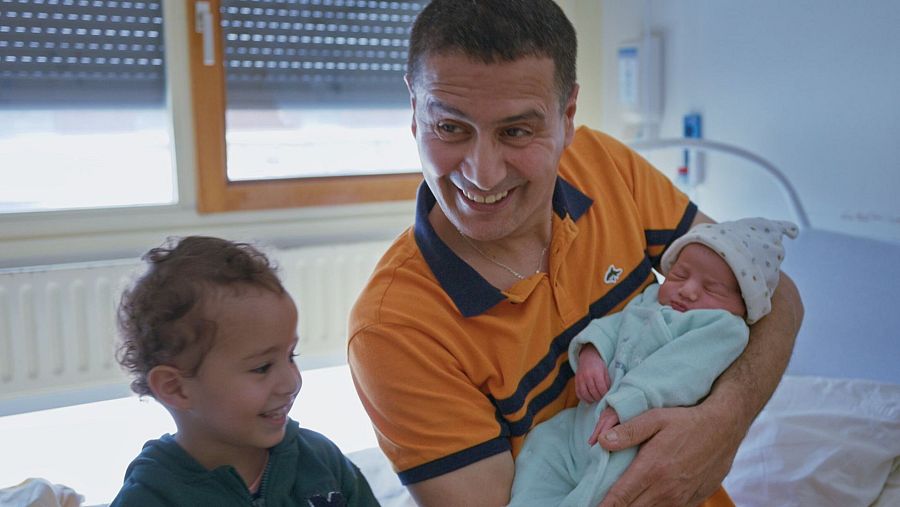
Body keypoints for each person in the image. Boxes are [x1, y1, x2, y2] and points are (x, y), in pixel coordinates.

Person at [348, 1, 804, 505]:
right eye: (451, 128)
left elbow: (776, 294)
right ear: (414, 111)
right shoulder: (394, 330)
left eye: (516, 131)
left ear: (567, 117)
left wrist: (722, 423)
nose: (482, 173)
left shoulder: (604, 165)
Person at [509, 218, 799, 506]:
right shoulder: (651, 301)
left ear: (744, 305)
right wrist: (591, 354)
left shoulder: (724, 328)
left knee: (609, 489)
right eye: (679, 276)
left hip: (637, 436)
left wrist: (629, 401)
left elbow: (679, 370)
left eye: (711, 289)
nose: (688, 290)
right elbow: (613, 326)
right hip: (579, 426)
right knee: (542, 449)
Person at [111, 236, 378, 507]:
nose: (291, 382)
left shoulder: (321, 461)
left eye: (291, 356)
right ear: (175, 388)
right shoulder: (151, 497)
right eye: (262, 367)